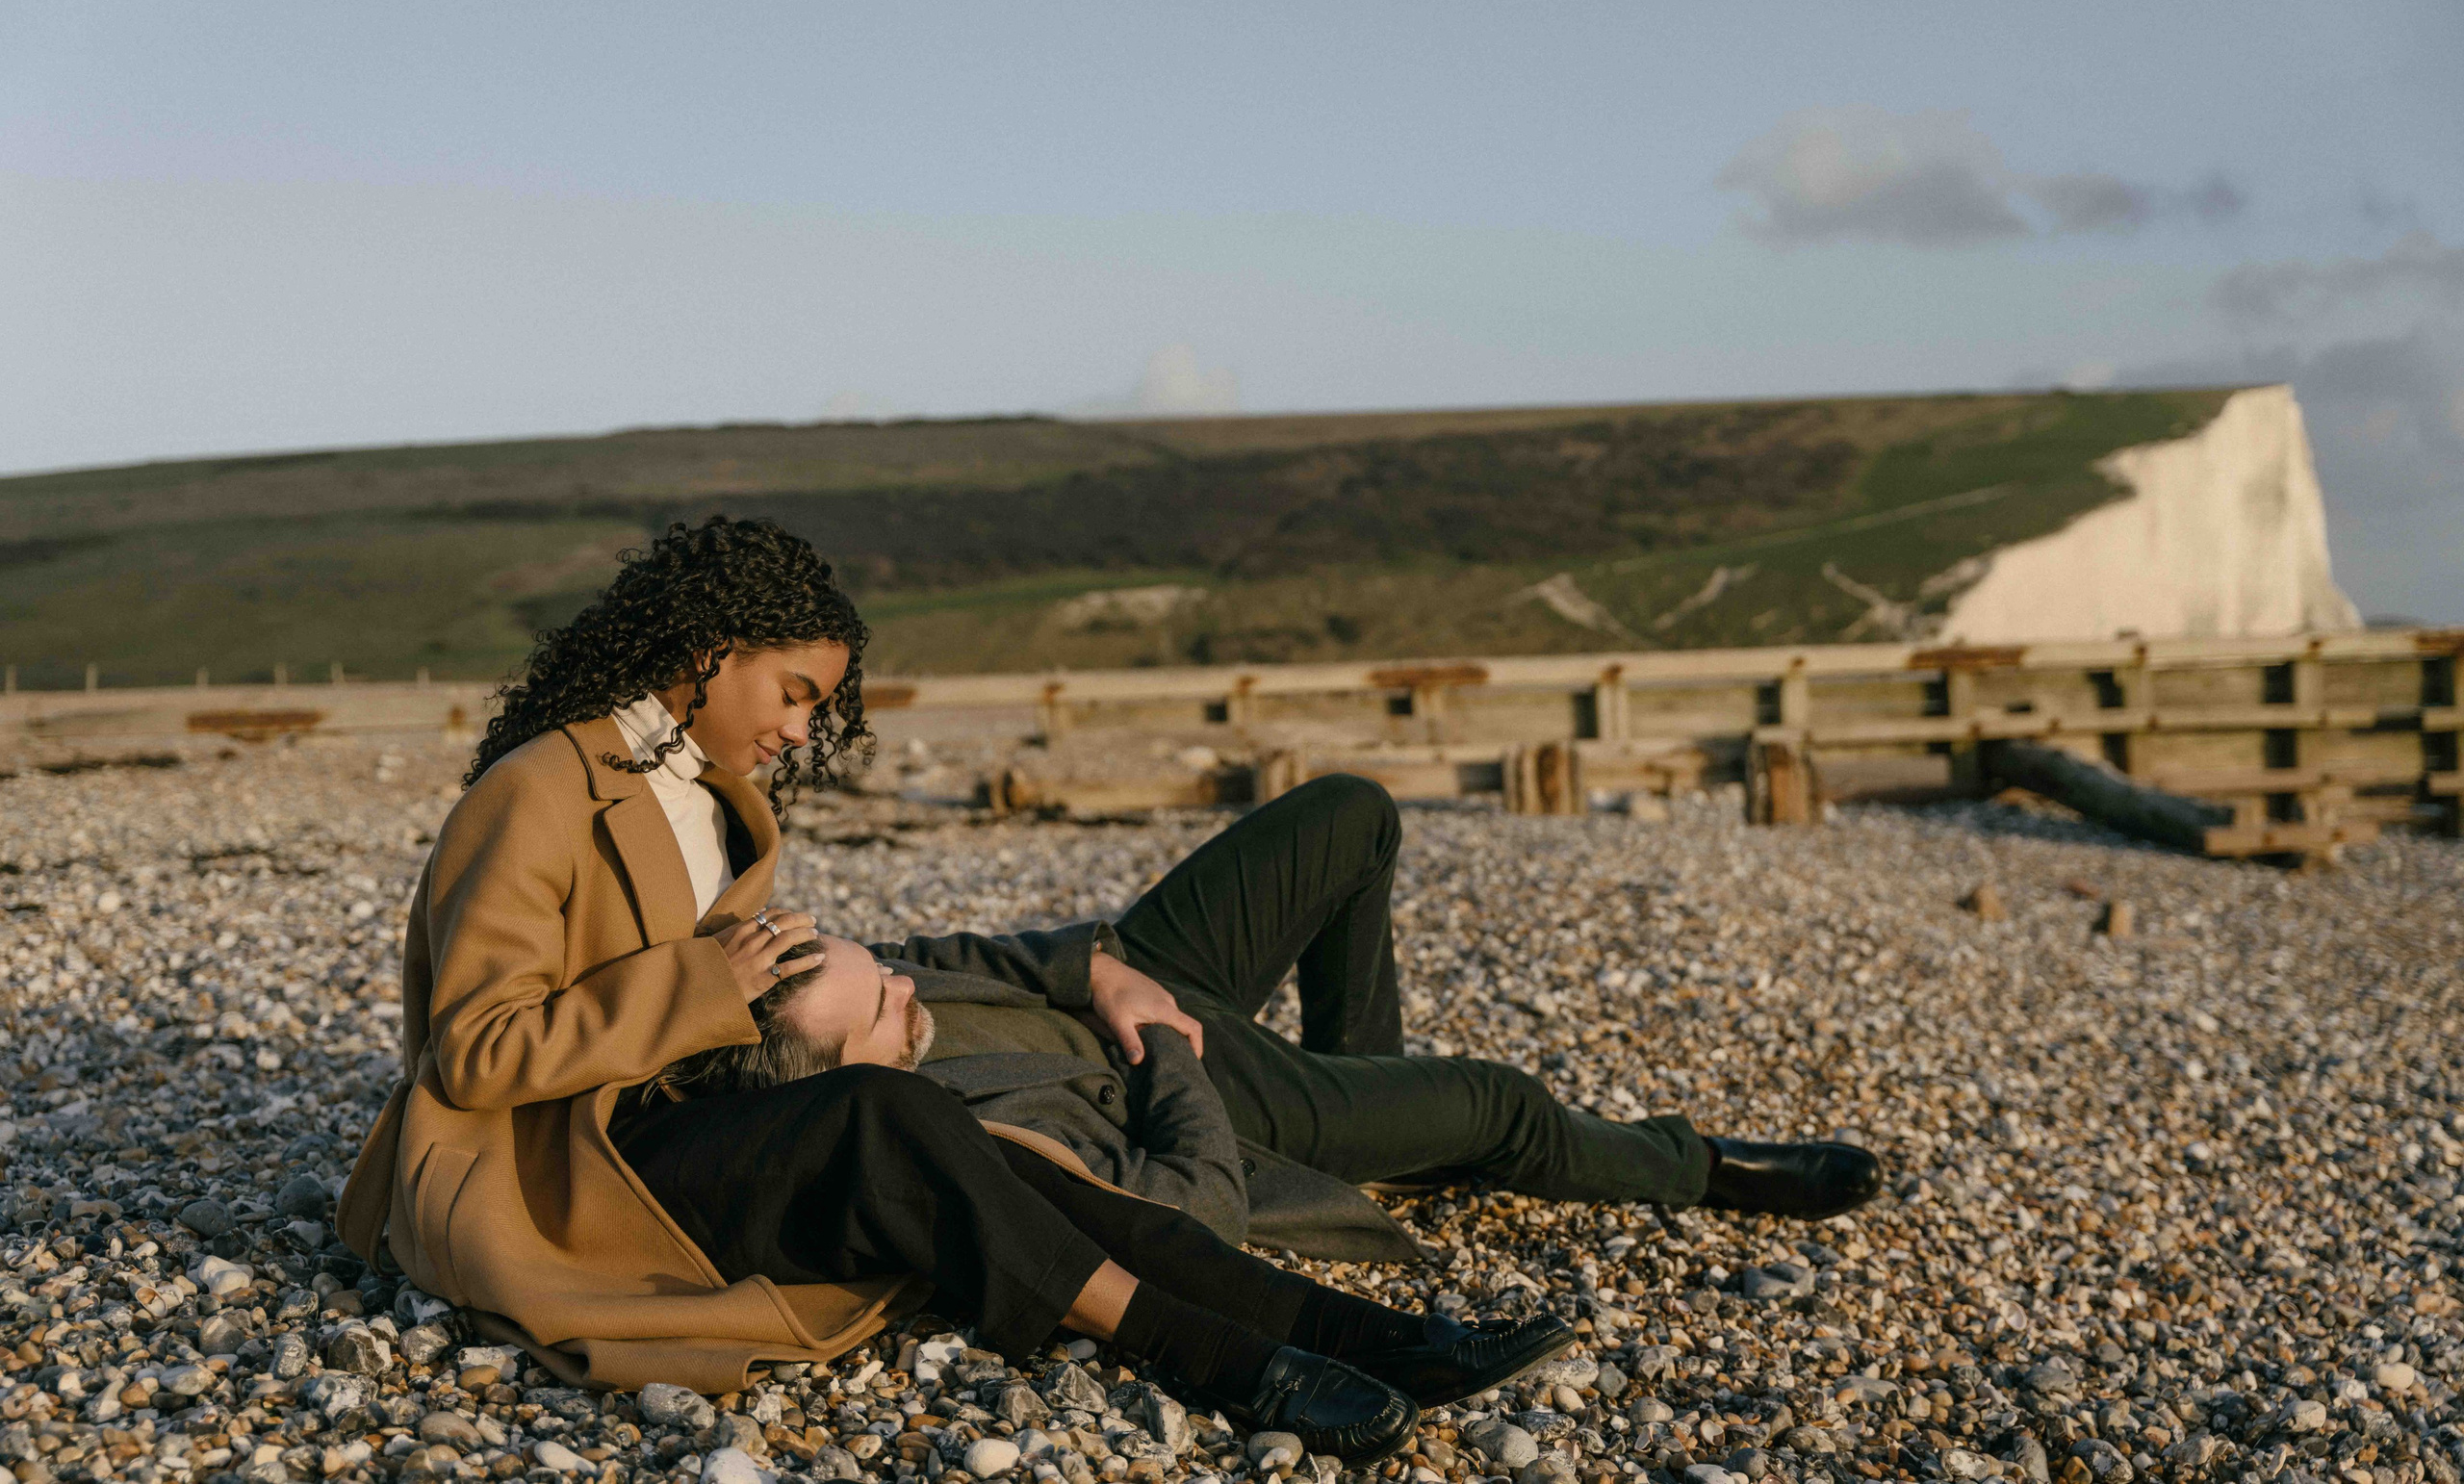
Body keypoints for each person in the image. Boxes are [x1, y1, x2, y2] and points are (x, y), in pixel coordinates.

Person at [336, 518, 1564, 1464]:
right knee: (895, 1119)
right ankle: (1217, 1358)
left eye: (821, 707)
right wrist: (694, 984)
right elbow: (473, 1056)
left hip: (689, 1122)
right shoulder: (537, 794)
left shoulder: (709, 797)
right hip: (578, 1172)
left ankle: (1356, 1334)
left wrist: (1056, 966)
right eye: (794, 695)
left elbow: (768, 998)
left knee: (1006, 1155)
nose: (803, 732)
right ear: (708, 653)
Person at [667, 776, 1882, 1259]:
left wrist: (1102, 973)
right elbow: (1193, 1200)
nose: (906, 985)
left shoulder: (857, 985)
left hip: (1137, 982)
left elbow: (964, 952)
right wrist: (1156, 1048)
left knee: (1350, 815)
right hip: (1213, 1092)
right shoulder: (957, 1137)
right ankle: (1699, 1166)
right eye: (886, 1011)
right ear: (853, 1085)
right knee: (1505, 1106)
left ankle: (1374, 1095)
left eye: (875, 965)